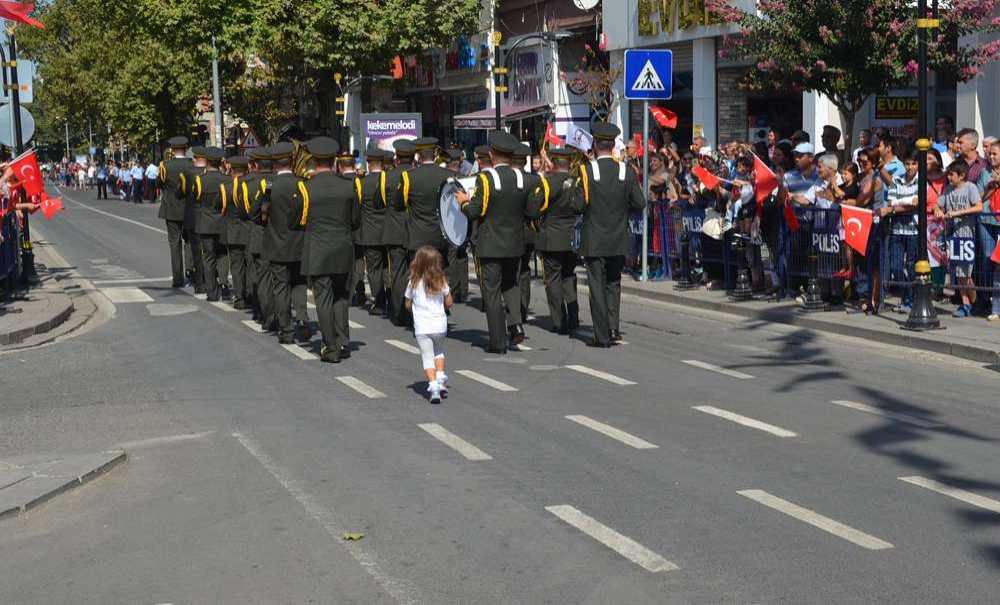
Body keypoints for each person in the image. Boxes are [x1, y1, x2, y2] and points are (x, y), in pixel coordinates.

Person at [456, 131, 537, 352]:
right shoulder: (521, 178)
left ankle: (498, 341)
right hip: (515, 243)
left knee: (491, 291)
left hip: (491, 244)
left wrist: (463, 202)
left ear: (492, 154)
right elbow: (531, 211)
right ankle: (516, 324)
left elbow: (475, 211)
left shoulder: (486, 178)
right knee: (511, 285)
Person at [568, 123, 646, 347]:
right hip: (618, 237)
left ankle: (601, 335)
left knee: (597, 287)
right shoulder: (625, 171)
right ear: (612, 145)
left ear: (594, 145)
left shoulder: (586, 171)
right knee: (613, 283)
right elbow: (640, 203)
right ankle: (613, 329)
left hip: (594, 238)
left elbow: (578, 205)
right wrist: (622, 212)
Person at [290, 137, 360, 363]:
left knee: (323, 299)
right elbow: (355, 220)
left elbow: (297, 221)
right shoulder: (349, 185)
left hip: (318, 249)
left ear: (313, 160)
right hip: (343, 248)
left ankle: (330, 346)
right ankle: (343, 341)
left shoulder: (305, 188)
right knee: (341, 297)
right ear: (334, 161)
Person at [263, 141, 310, 343]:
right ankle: (303, 319)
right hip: (299, 243)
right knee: (299, 284)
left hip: (276, 245)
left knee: (281, 287)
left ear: (275, 164)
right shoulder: (302, 183)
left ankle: (286, 329)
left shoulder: (269, 186)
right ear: (291, 161)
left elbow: (260, 213)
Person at [393, 137, 454, 292]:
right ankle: (439, 303)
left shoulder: (408, 176)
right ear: (435, 154)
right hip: (440, 235)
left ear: (418, 156)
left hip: (417, 236)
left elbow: (399, 204)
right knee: (438, 275)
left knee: (417, 278)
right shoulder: (449, 175)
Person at [532, 147, 580, 334]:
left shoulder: (547, 183)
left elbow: (535, 208)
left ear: (553, 163)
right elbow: (582, 206)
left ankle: (559, 320)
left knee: (552, 280)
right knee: (569, 275)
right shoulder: (577, 182)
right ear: (569, 163)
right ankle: (573, 316)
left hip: (551, 238)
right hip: (572, 238)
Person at [405, 246, 453, 403]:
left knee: (427, 357)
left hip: (422, 326)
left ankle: (433, 387)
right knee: (439, 351)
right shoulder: (441, 281)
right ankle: (440, 377)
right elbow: (449, 302)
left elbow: (407, 303)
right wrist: (443, 305)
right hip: (440, 324)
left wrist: (413, 309)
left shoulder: (413, 282)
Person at [935, 160, 983, 317]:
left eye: (951, 174)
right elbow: (937, 204)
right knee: (958, 272)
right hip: (953, 236)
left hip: (967, 235)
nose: (948, 177)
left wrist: (957, 213)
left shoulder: (970, 187)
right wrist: (937, 210)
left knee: (966, 274)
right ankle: (965, 303)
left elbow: (979, 206)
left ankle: (975, 302)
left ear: (961, 175)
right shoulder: (948, 189)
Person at [382, 139, 416, 325]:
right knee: (416, 272)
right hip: (415, 231)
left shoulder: (386, 177)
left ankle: (399, 312)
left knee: (396, 273)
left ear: (397, 158)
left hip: (394, 232)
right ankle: (416, 310)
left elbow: (379, 202)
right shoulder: (416, 175)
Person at [881, 152, 919, 313]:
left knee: (912, 267)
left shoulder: (921, 182)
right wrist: (907, 202)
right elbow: (891, 203)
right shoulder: (896, 180)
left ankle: (910, 300)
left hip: (914, 231)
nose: (910, 167)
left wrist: (896, 206)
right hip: (896, 229)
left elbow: (916, 204)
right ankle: (906, 297)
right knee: (896, 267)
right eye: (907, 163)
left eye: (913, 164)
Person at [357, 147, 391, 315]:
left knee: (374, 269)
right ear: (382, 164)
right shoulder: (389, 180)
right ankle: (391, 298)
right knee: (387, 267)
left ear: (369, 163)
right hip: (388, 231)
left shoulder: (362, 183)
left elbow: (358, 208)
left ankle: (379, 302)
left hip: (370, 232)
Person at [157, 137, 194, 288]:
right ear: (185, 148)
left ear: (172, 150)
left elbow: (159, 184)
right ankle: (190, 273)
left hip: (171, 208)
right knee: (190, 242)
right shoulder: (192, 164)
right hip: (189, 209)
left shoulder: (165, 165)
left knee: (174, 243)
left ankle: (177, 278)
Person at [191, 147, 228, 301]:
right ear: (220, 162)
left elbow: (196, 198)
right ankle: (224, 285)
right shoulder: (227, 179)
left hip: (206, 222)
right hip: (223, 221)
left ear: (206, 161)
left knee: (208, 257)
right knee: (223, 254)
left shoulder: (200, 180)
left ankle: (211, 291)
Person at [245, 147, 275, 328]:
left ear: (255, 165)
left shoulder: (248, 183)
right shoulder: (287, 181)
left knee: (261, 277)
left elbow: (249, 212)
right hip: (283, 237)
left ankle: (264, 314)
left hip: (258, 235)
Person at [513, 143, 538, 322]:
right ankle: (523, 308)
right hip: (528, 232)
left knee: (513, 272)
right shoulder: (534, 180)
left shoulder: (506, 179)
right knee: (524, 271)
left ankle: (515, 310)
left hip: (511, 233)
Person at [224, 155, 252, 309]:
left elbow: (220, 207)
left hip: (234, 231)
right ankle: (250, 295)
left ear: (232, 170)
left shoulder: (227, 187)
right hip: (249, 230)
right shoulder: (253, 185)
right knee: (250, 265)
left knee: (236, 266)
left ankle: (240, 298)